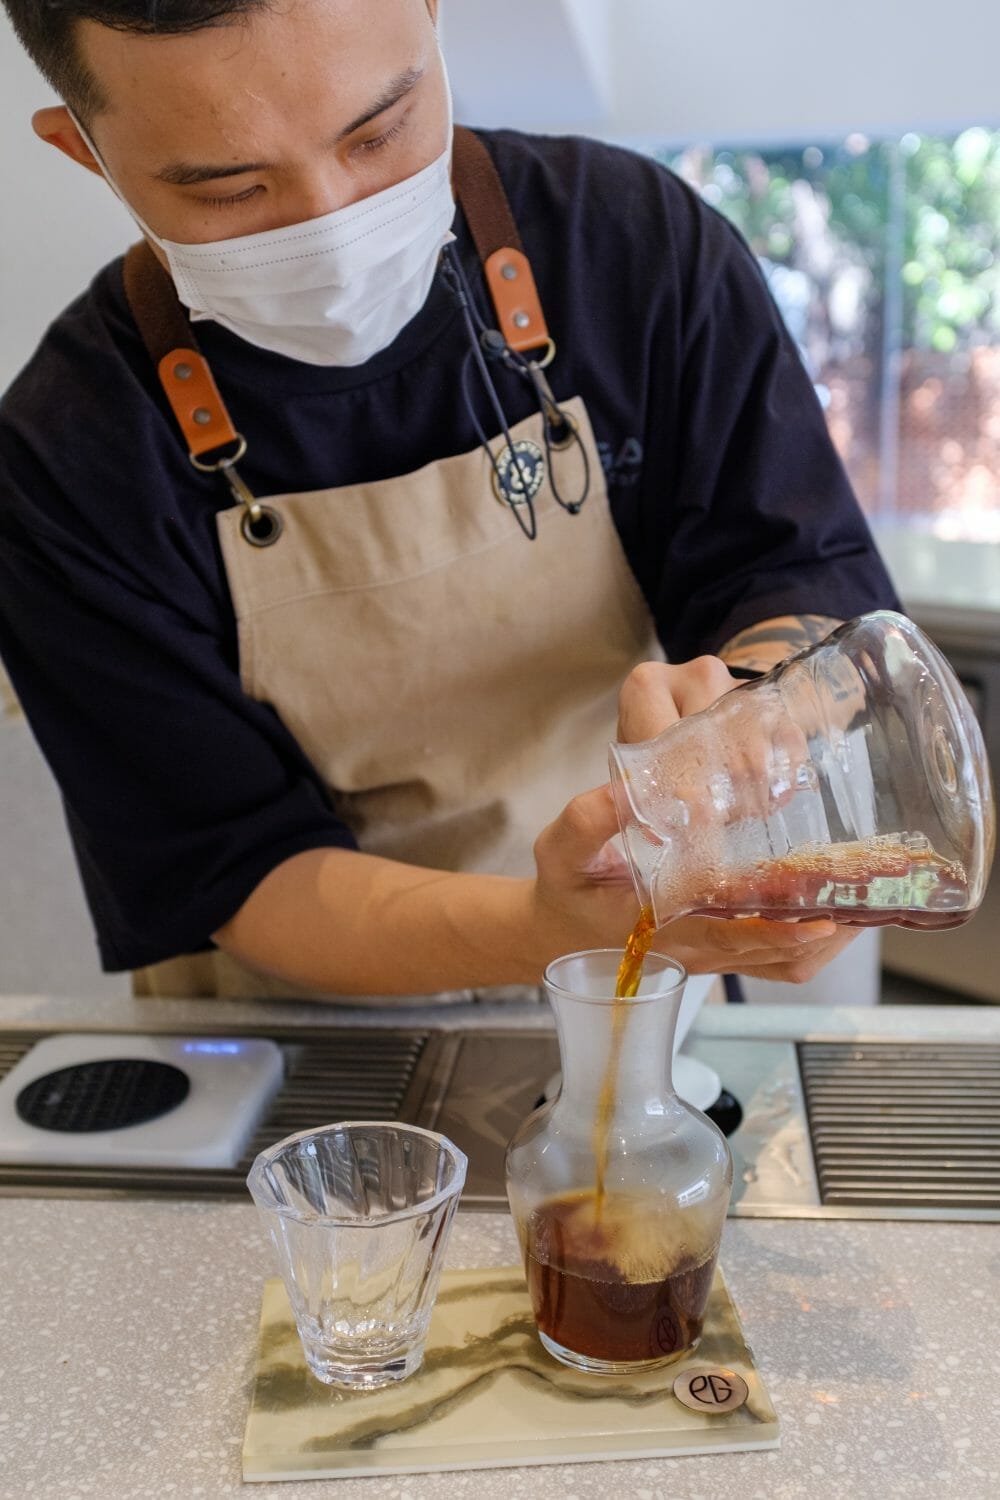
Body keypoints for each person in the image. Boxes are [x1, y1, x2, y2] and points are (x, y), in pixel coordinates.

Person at [0, 0, 899, 1002]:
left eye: (378, 132)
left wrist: (750, 714)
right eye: (231, 190)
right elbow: (235, 866)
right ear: (84, 151)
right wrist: (543, 928)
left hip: (645, 988)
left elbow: (797, 576)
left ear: (431, 13)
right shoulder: (64, 453)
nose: (330, 226)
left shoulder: (633, 246)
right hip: (300, 1043)